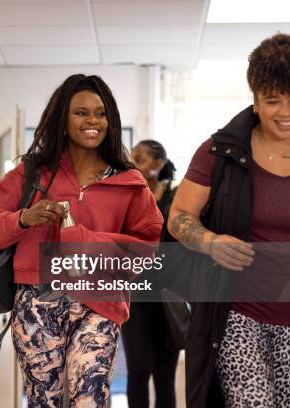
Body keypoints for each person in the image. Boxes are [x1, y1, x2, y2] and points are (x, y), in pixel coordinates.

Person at [0, 74, 163, 407]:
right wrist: (24, 218)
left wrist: (83, 239)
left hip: (99, 302)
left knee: (89, 399)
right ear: (62, 119)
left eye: (100, 113)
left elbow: (146, 250)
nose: (92, 120)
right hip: (36, 302)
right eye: (81, 112)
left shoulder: (130, 182)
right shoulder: (31, 173)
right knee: (43, 400)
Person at [168, 33, 290, 407]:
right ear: (255, 100)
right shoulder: (220, 152)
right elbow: (178, 217)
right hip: (239, 314)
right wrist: (209, 241)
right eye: (273, 101)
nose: (285, 112)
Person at [121, 140, 181, 408]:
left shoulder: (178, 199)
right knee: (138, 371)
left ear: (158, 165)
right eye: (132, 158)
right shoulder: (129, 199)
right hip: (135, 299)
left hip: (171, 300)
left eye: (141, 159)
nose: (134, 164)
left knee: (164, 377)